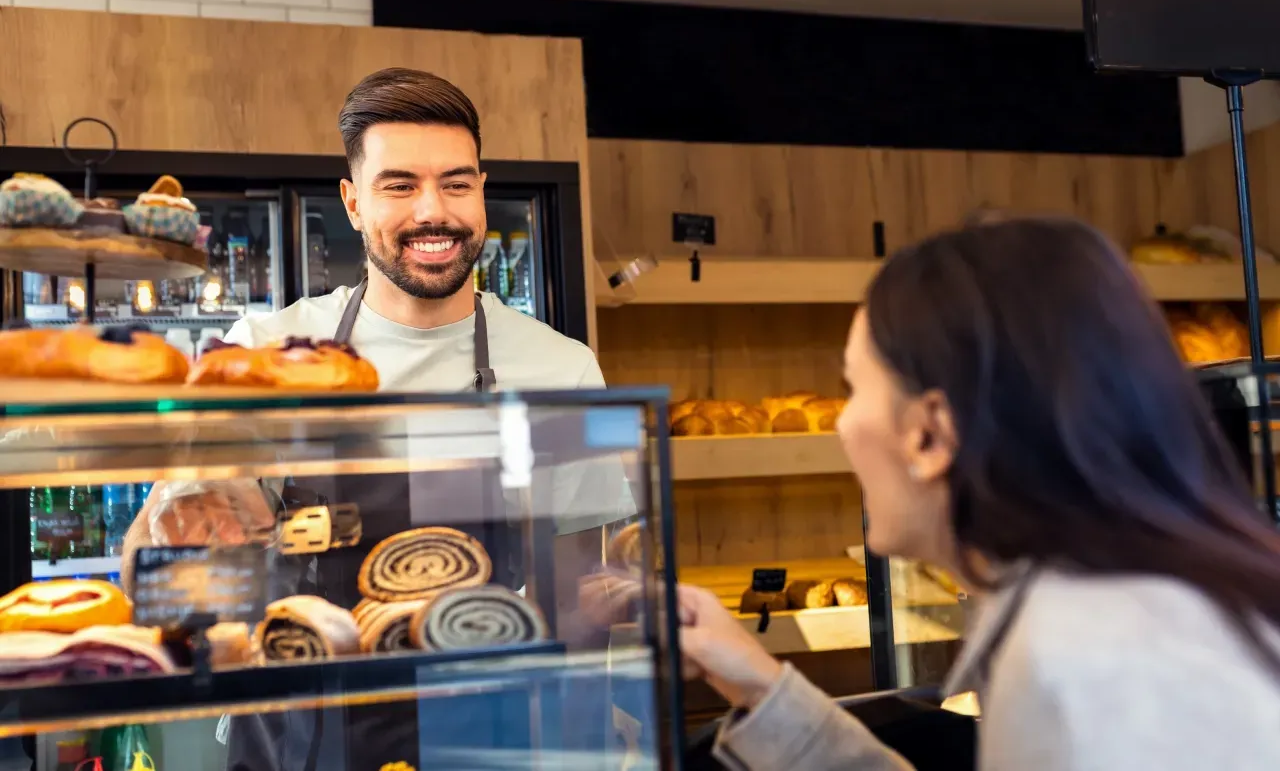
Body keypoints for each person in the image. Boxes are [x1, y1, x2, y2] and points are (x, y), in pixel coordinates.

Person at [122, 67, 633, 770]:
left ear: (482, 188)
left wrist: (580, 750)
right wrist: (191, 516)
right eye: (400, 185)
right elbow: (156, 578)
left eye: (457, 183)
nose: (435, 212)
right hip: (301, 739)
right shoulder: (265, 353)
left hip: (488, 739)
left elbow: (576, 607)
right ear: (353, 202)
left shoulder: (562, 368)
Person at [677, 217, 1280, 770]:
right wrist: (756, 682)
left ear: (931, 433)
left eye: (853, 386)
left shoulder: (1080, 667)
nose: (840, 423)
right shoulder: (1114, 602)